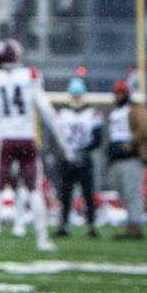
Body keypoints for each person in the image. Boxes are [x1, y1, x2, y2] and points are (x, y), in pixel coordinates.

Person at [0, 38, 58, 252]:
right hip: (27, 137)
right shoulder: (31, 76)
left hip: (5, 137)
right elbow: (47, 111)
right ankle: (42, 239)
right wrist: (63, 140)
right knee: (34, 190)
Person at [104, 78, 147, 240]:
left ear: (127, 94)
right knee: (122, 191)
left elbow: (145, 128)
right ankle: (132, 222)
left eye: (121, 93)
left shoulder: (135, 110)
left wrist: (130, 143)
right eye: (117, 93)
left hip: (132, 157)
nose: (118, 96)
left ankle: (134, 226)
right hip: (117, 158)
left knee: (133, 191)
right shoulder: (114, 113)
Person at [50, 77, 100, 237]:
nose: (76, 98)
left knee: (88, 194)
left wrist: (83, 150)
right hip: (67, 159)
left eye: (78, 95)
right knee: (65, 194)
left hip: (84, 158)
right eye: (74, 94)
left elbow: (97, 138)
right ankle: (64, 225)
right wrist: (64, 151)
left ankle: (91, 226)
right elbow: (55, 137)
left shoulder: (92, 113)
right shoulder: (62, 114)